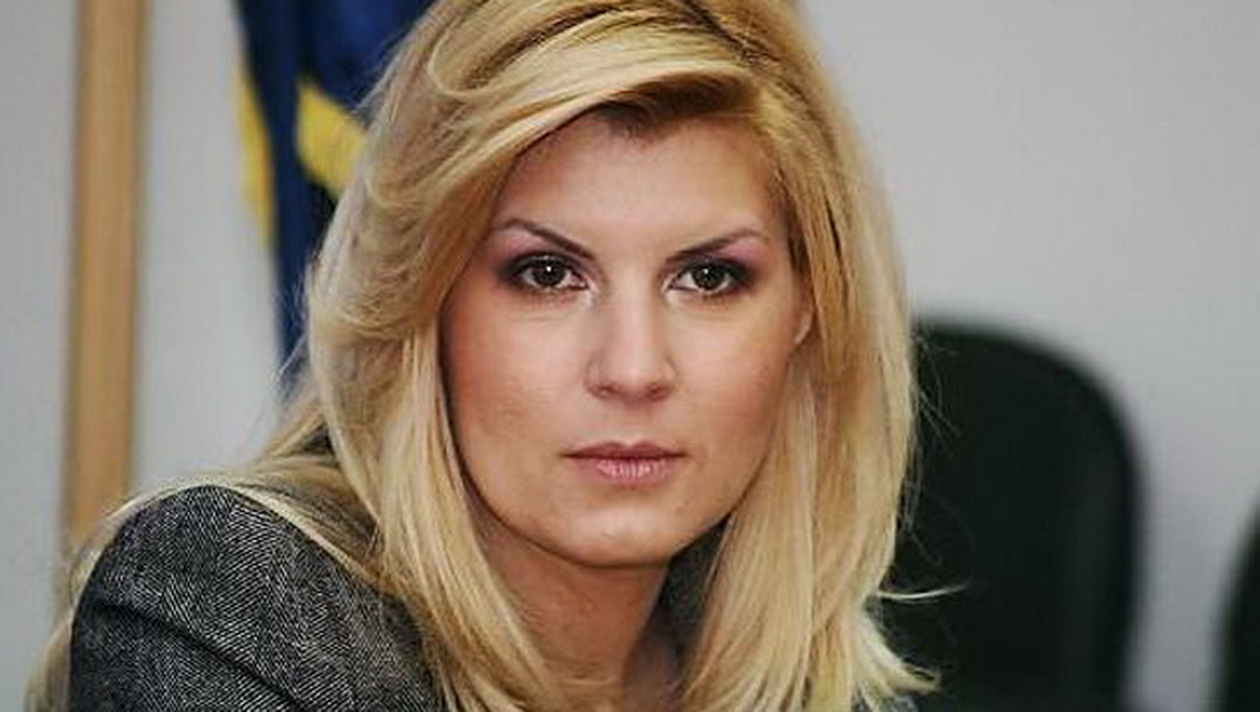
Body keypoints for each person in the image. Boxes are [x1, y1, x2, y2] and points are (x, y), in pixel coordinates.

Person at [32, 1, 928, 709]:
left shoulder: (803, 681)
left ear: (808, 308)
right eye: (548, 274)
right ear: (426, 299)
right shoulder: (237, 601)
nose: (632, 368)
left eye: (708, 277)